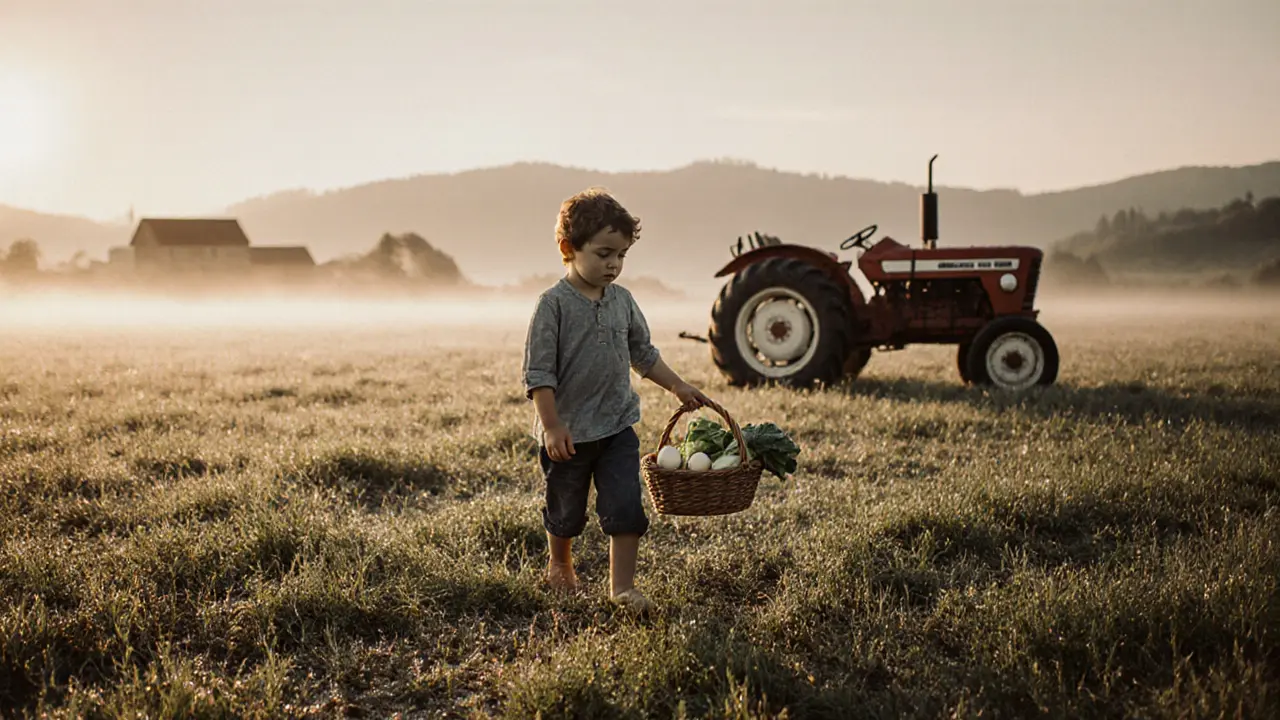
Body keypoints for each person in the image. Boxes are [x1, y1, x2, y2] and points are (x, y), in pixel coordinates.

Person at [521, 187, 711, 613]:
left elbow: (642, 353)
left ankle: (621, 587)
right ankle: (560, 564)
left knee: (626, 506)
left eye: (621, 256)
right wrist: (551, 425)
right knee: (565, 508)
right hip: (568, 433)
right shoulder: (552, 306)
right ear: (569, 248)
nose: (614, 265)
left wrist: (678, 386)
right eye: (604, 253)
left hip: (617, 427)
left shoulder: (623, 300)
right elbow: (538, 375)